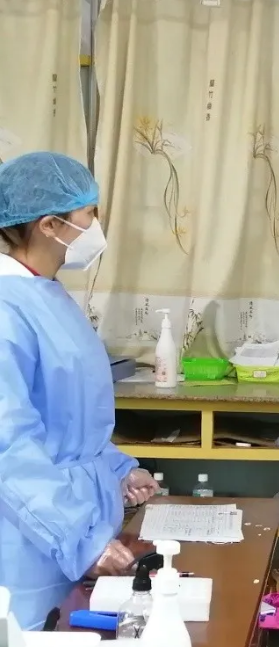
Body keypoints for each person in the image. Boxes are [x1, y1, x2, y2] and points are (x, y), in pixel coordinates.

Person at [0, 151, 158, 629]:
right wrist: (81, 541)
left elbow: (71, 421)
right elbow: (9, 446)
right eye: (89, 213)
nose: (95, 226)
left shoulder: (45, 295)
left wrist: (118, 470)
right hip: (28, 539)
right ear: (49, 225)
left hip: (71, 529)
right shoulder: (6, 309)